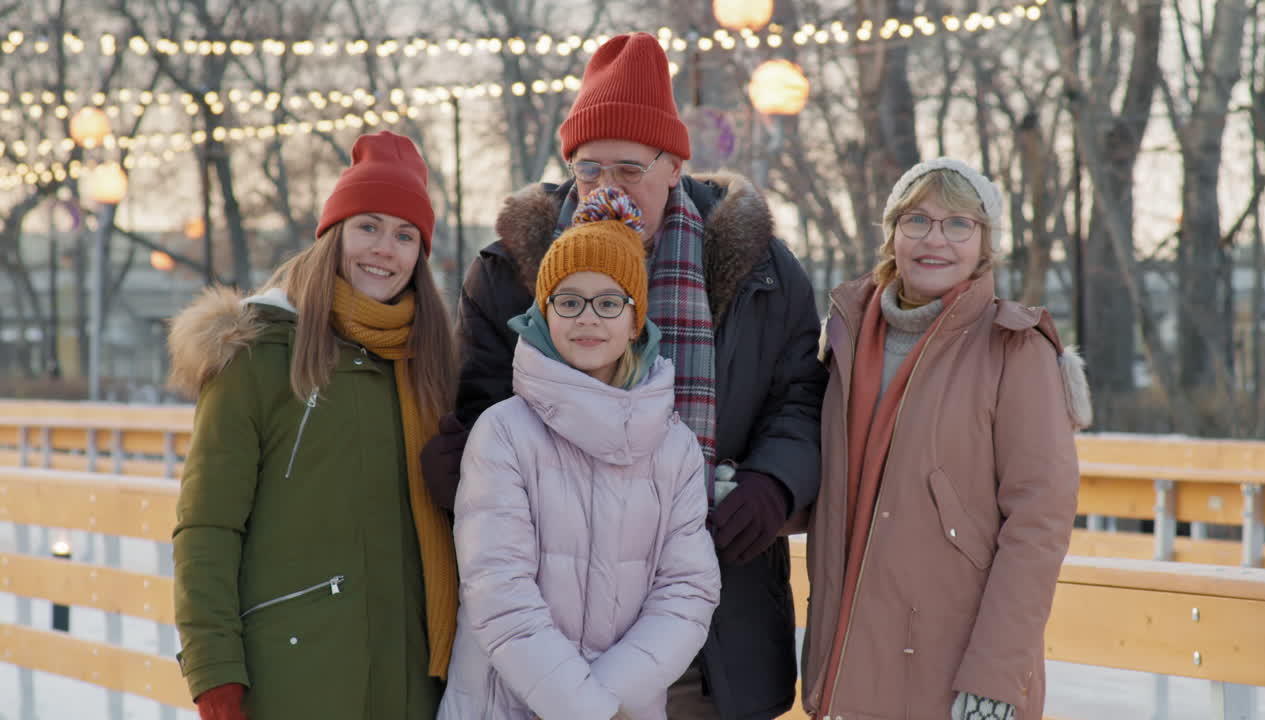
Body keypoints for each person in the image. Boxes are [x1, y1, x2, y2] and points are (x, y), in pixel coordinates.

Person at [421, 31, 827, 718]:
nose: (608, 189)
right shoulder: (509, 270)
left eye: (630, 169)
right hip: (549, 630)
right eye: (589, 169)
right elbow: (483, 404)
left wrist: (774, 483)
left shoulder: (761, 268)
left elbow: (801, 398)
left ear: (674, 166)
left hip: (713, 619)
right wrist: (465, 470)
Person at [167, 130, 458, 720]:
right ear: (334, 235)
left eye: (405, 235)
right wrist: (214, 671)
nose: (385, 249)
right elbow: (208, 526)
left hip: (414, 683)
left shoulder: (431, 367)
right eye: (369, 227)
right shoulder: (260, 356)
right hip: (293, 677)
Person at [800, 157, 1092, 720]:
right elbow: (827, 485)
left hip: (954, 674)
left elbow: (1039, 523)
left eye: (958, 224)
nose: (935, 239)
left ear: (984, 242)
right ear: (892, 234)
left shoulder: (1014, 349)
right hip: (849, 661)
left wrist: (995, 679)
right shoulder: (845, 336)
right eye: (916, 221)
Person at [438, 186, 721, 719]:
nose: (587, 318)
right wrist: (587, 708)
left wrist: (609, 698)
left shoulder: (674, 446)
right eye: (569, 301)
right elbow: (499, 593)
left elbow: (687, 591)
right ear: (545, 314)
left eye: (608, 302)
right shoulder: (504, 433)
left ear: (635, 321)